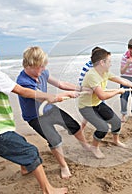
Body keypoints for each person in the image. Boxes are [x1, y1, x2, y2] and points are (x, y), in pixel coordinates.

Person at [0, 36, 67, 194]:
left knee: (21, 142)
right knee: (31, 152)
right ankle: (48, 190)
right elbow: (22, 90)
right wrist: (48, 96)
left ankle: (25, 169)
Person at [17, 46, 91, 179]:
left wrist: (82, 88)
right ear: (30, 65)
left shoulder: (42, 72)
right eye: (41, 66)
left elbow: (61, 83)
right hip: (36, 116)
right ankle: (63, 166)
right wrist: (65, 94)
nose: (44, 69)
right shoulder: (23, 82)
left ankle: (86, 146)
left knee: (73, 125)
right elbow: (42, 97)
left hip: (49, 109)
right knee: (55, 139)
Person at [78, 48, 132, 159]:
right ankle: (94, 147)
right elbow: (102, 96)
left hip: (97, 104)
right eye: (109, 61)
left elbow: (122, 81)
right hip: (86, 107)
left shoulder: (105, 72)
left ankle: (116, 141)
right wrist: (118, 91)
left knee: (116, 122)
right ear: (102, 63)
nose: (111, 64)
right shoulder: (92, 75)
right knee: (103, 127)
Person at [78, 46, 102, 129]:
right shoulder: (88, 66)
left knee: (100, 108)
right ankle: (82, 128)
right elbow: (81, 79)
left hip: (97, 92)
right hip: (89, 92)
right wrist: (86, 89)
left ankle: (100, 127)